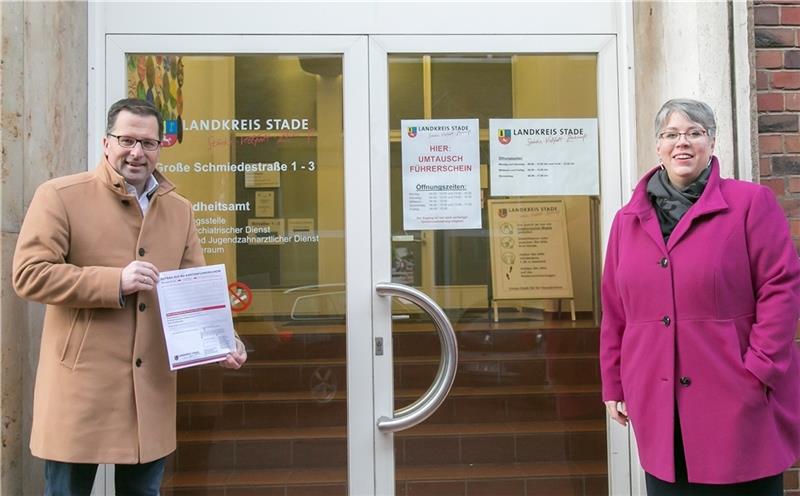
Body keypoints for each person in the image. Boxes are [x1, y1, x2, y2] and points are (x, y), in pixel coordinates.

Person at [12, 98, 247, 496]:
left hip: (149, 387)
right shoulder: (60, 195)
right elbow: (29, 275)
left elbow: (193, 287)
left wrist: (224, 338)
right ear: (106, 143)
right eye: (127, 140)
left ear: (160, 147)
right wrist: (115, 281)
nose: (137, 152)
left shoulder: (180, 210)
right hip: (79, 386)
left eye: (149, 143)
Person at [600, 98, 800, 495]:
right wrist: (614, 382)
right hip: (658, 399)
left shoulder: (749, 204)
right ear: (657, 146)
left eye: (694, 133)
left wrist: (759, 369)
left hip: (736, 394)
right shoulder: (627, 220)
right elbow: (614, 310)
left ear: (711, 142)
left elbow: (781, 288)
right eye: (671, 134)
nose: (682, 143)